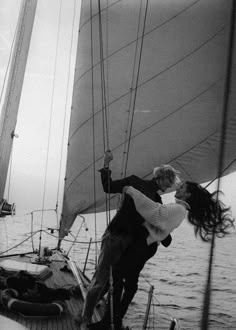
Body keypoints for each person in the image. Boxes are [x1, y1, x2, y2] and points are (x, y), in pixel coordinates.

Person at [76, 150, 180, 330]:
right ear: (162, 177)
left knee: (105, 281)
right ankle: (84, 319)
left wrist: (107, 163)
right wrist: (107, 162)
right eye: (169, 182)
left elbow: (108, 186)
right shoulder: (150, 195)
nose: (169, 186)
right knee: (103, 280)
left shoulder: (147, 192)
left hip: (123, 242)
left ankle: (87, 314)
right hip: (117, 238)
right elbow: (109, 187)